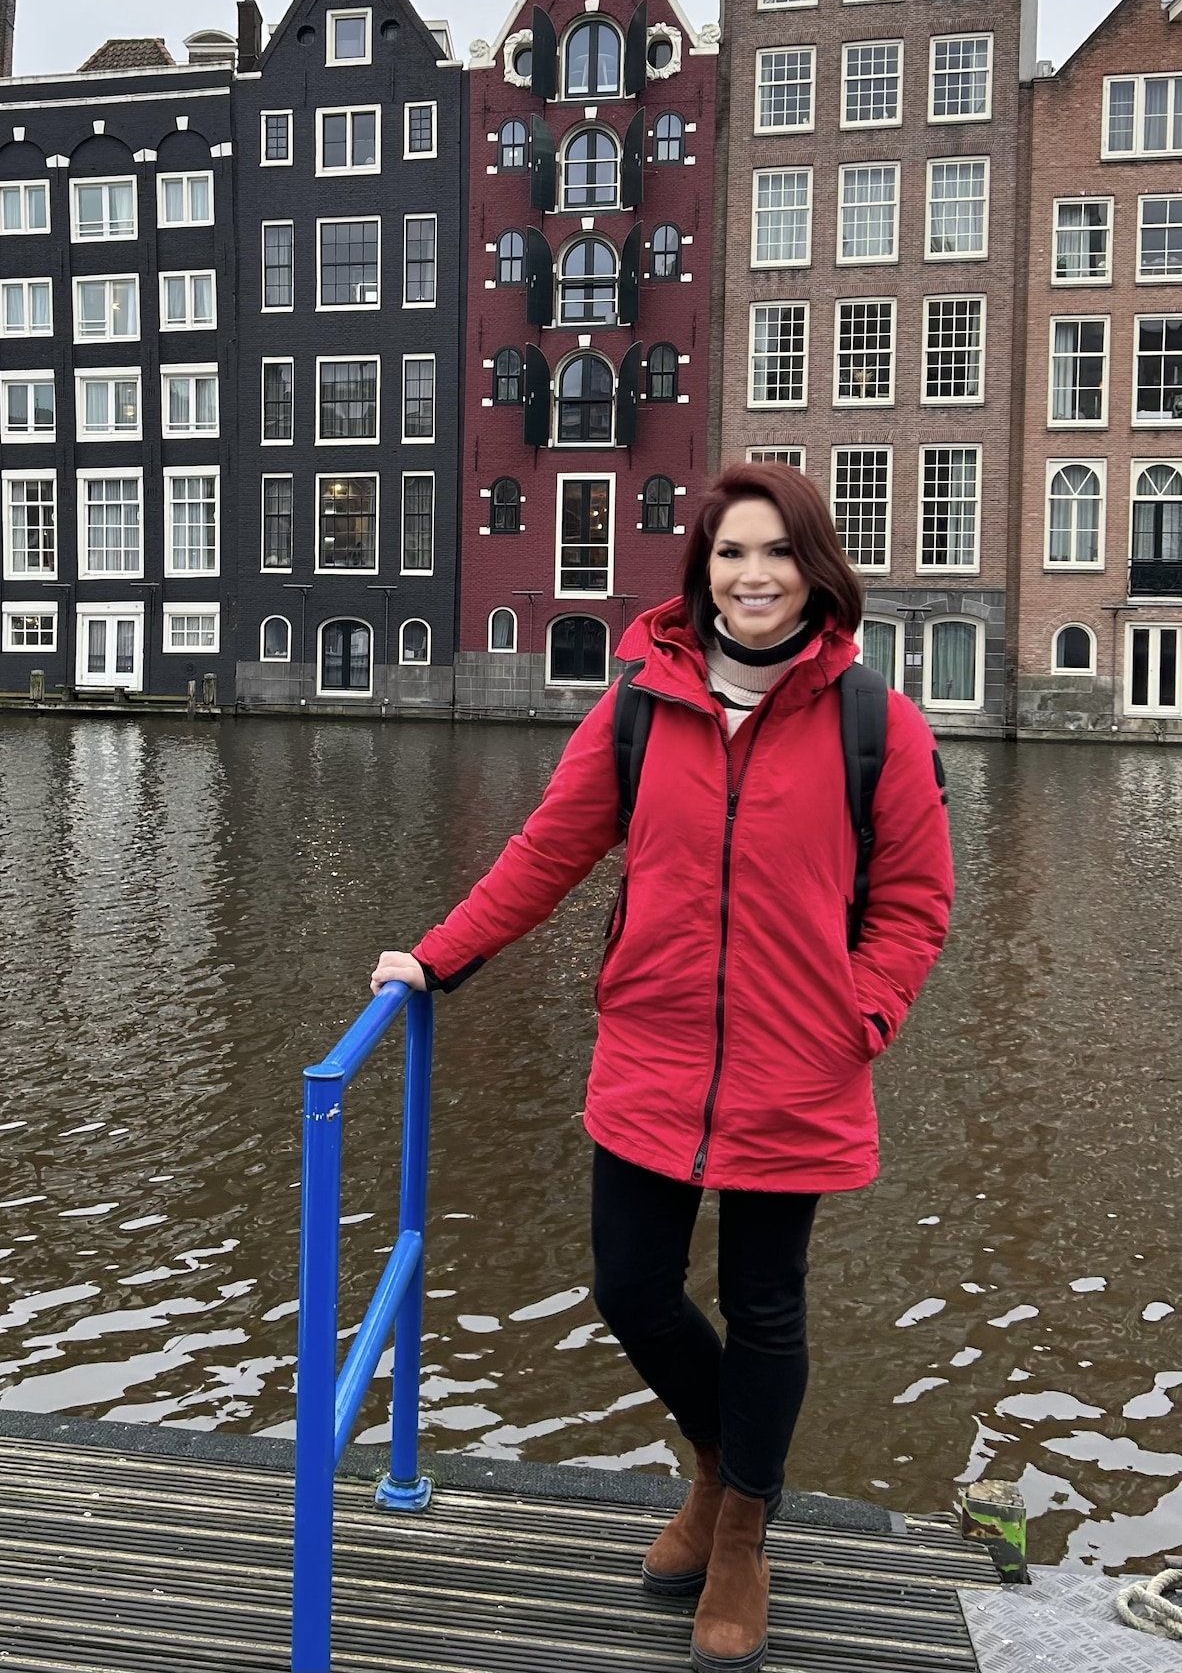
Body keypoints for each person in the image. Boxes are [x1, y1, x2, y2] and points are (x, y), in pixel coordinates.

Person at [371, 463, 953, 1673]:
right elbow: (548, 848)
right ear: (702, 570)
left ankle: (738, 1530)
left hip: (798, 1063)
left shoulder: (874, 723)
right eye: (732, 552)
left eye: (777, 553)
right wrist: (435, 958)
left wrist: (862, 1013)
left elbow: (912, 899)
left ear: (814, 571)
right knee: (630, 1286)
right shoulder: (641, 703)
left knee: (765, 1301)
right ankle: (719, 1461)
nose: (753, 575)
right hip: (653, 1049)